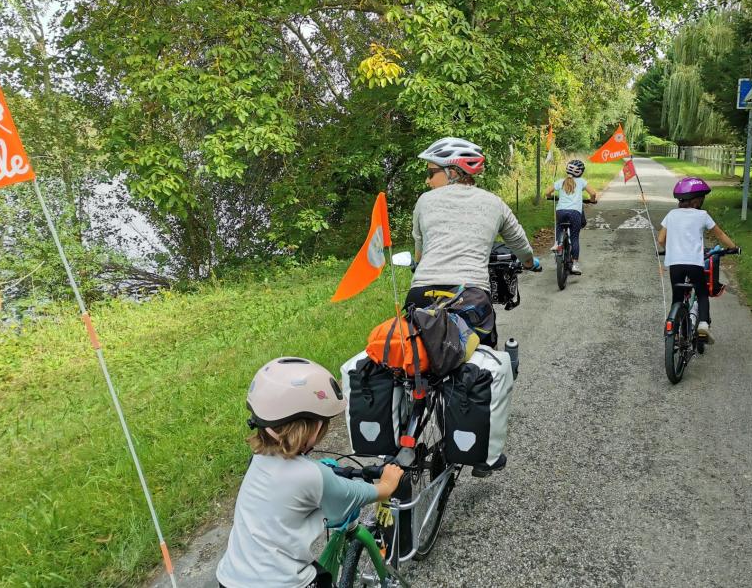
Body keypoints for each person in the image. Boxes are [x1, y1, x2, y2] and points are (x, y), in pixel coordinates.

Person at [216, 358, 404, 588]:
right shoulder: (313, 475)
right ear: (313, 427)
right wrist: (385, 485)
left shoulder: (258, 458)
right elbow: (351, 496)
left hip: (230, 578)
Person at [406, 136, 540, 349]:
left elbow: (419, 255)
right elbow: (520, 243)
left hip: (422, 296)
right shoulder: (494, 203)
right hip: (471, 297)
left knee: (416, 359)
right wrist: (529, 263)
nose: (427, 181)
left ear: (452, 172)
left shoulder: (424, 201)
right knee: (484, 358)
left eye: (431, 173)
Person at [657, 177, 737, 341]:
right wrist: (733, 248)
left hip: (675, 265)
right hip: (694, 264)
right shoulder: (702, 215)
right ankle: (702, 325)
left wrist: (669, 249)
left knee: (677, 297)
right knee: (701, 293)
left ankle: (675, 329)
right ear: (697, 202)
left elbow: (660, 239)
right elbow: (720, 234)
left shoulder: (671, 214)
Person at [544, 159, 597, 275]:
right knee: (574, 238)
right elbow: (593, 193)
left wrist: (550, 196)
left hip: (561, 211)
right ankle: (575, 265)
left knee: (559, 227)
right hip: (575, 213)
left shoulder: (561, 181)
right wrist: (592, 201)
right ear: (581, 172)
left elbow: (547, 192)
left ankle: (558, 244)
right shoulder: (582, 181)